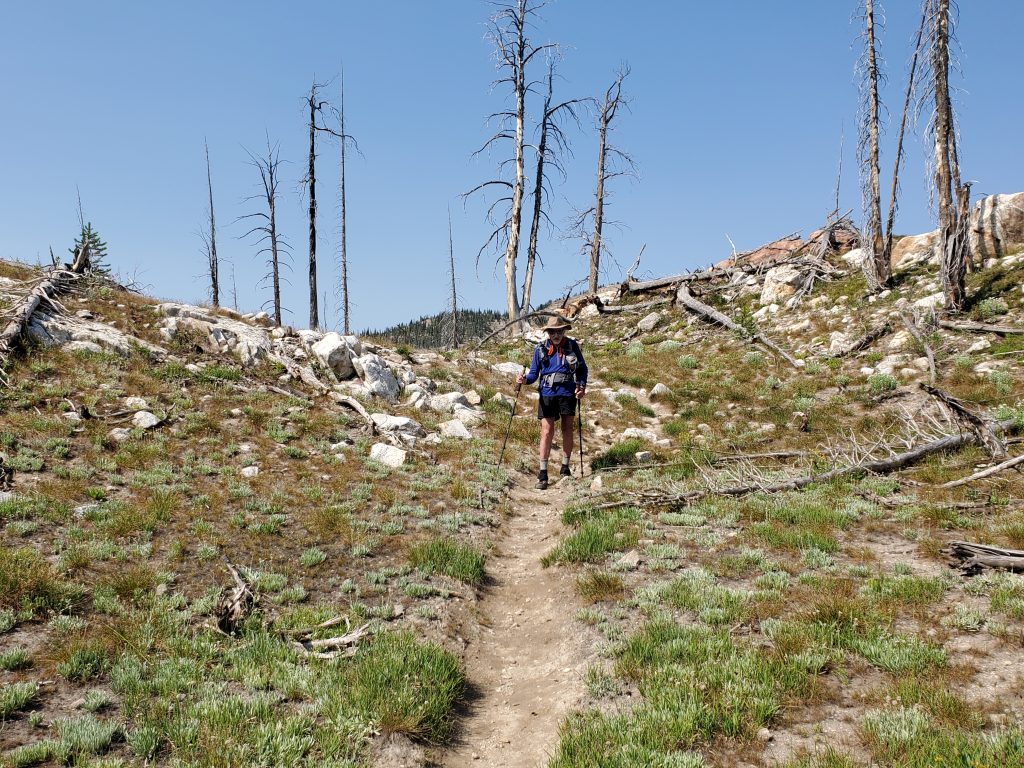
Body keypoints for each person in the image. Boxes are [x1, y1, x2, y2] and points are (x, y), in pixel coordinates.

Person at [516, 315, 588, 490]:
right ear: (548, 333)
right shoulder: (540, 349)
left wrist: (582, 387)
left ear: (564, 331)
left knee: (567, 429)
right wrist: (524, 380)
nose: (556, 335)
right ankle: (543, 473)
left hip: (568, 392)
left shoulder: (572, 346)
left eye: (559, 331)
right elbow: (533, 374)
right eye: (552, 332)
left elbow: (582, 369)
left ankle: (565, 467)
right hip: (547, 393)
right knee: (547, 431)